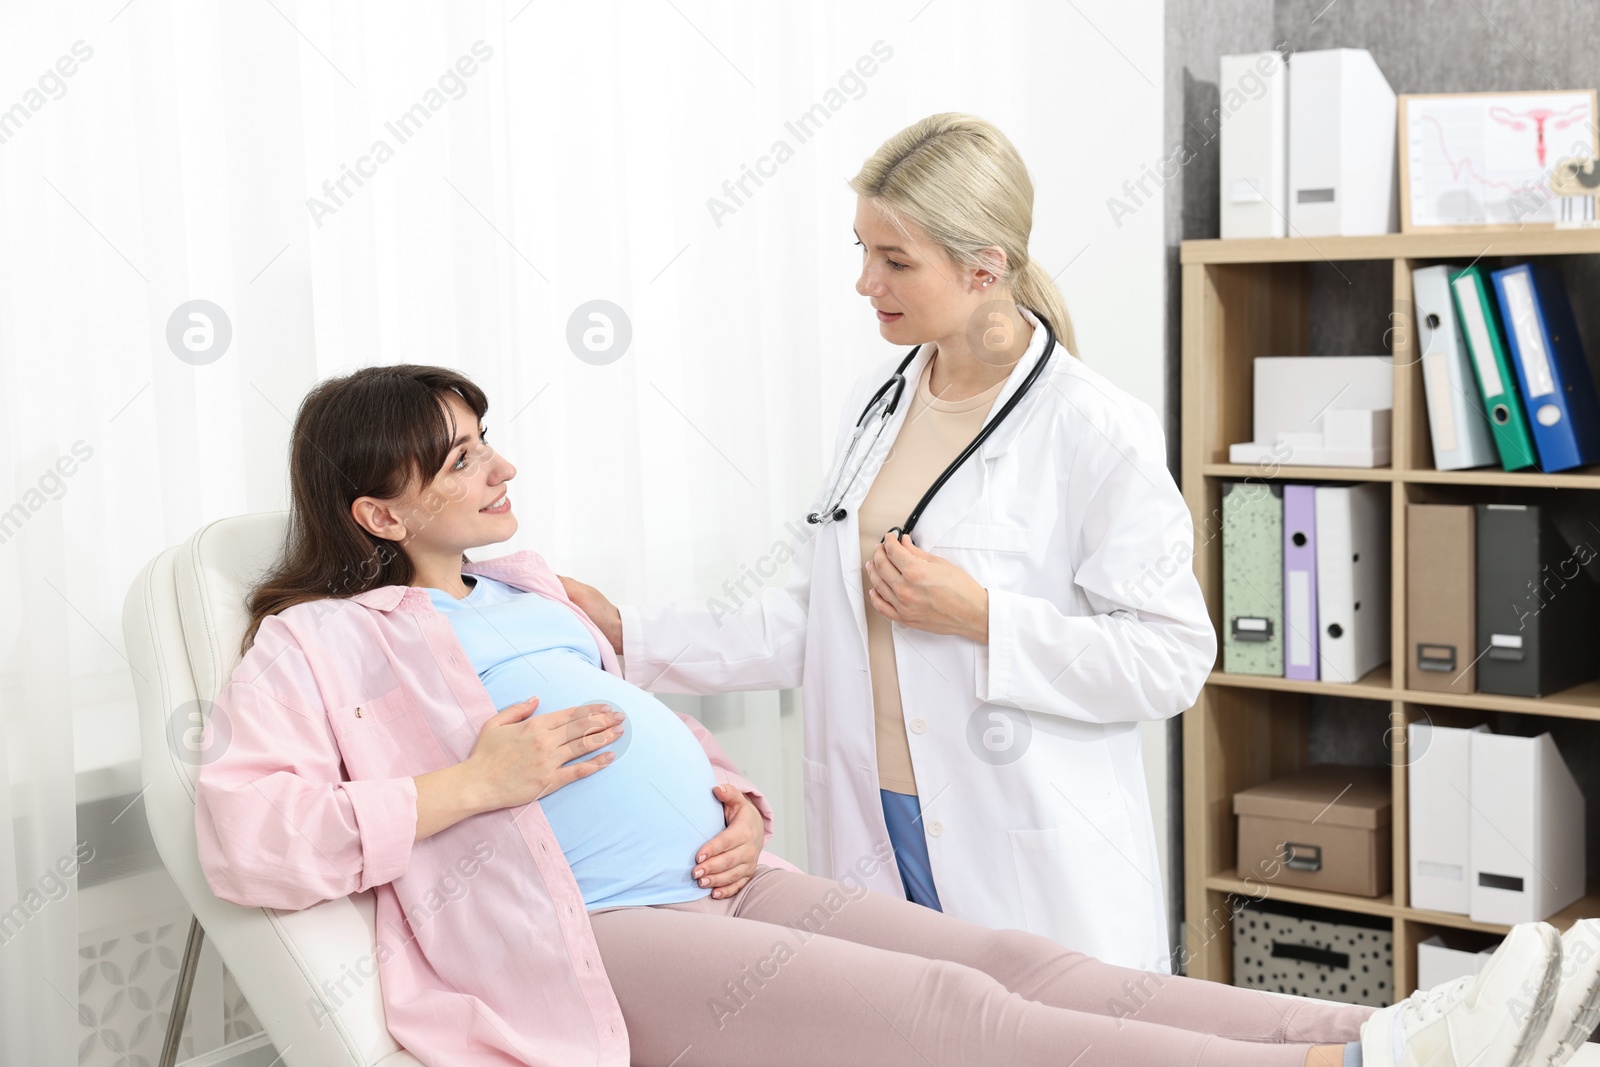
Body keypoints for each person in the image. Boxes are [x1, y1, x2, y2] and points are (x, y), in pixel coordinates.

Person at [196, 364, 1600, 1067]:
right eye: (460, 457)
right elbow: (252, 840)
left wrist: (732, 799)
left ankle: (1376, 1036)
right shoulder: (321, 642)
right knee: (956, 1013)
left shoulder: (529, 590)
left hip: (730, 876)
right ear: (380, 511)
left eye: (488, 434)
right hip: (605, 937)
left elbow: (651, 726)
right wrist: (470, 784)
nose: (501, 464)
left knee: (1022, 956)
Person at [561, 112, 1211, 972]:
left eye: (896, 260)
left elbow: (1170, 659)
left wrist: (984, 617)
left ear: (988, 268)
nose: (866, 281)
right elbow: (816, 619)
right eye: (862, 250)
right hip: (877, 817)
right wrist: (631, 634)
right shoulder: (878, 402)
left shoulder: (1095, 428)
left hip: (1018, 834)